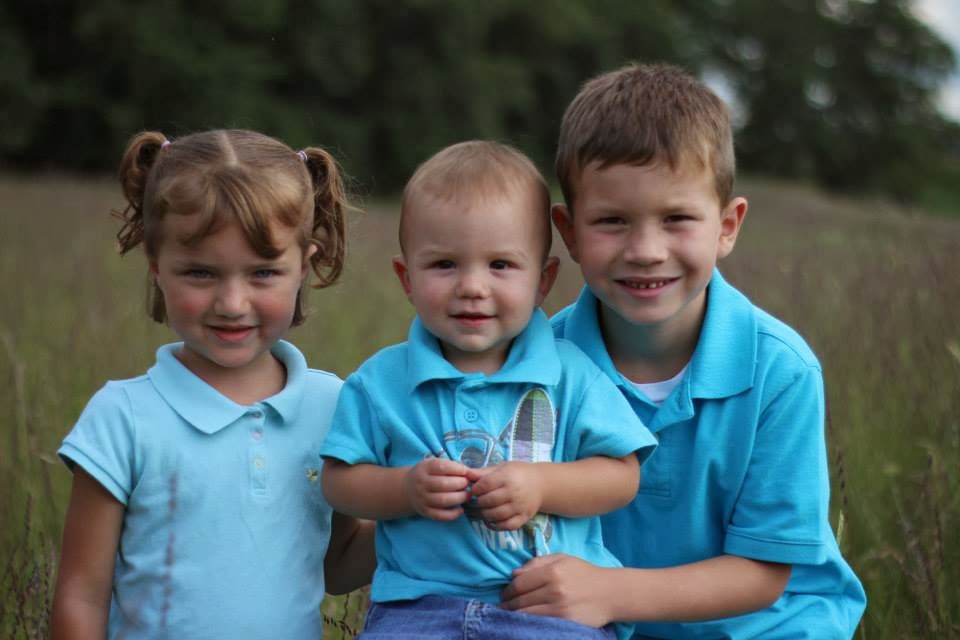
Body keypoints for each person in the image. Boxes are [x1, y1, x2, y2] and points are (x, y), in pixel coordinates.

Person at [499, 62, 867, 638]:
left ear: (727, 225)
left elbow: (765, 573)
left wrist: (609, 591)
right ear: (568, 232)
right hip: (609, 623)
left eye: (677, 219)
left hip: (766, 626)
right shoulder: (539, 363)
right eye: (612, 221)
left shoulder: (779, 370)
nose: (646, 250)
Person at [320, 140, 658, 639]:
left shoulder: (570, 374)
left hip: (546, 607)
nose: (472, 287)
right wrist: (405, 489)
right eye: (444, 265)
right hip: (418, 607)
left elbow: (622, 476)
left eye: (500, 265)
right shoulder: (381, 381)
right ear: (407, 278)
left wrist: (542, 485)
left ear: (542, 280)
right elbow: (339, 482)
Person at [50, 129, 375, 639]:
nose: (232, 303)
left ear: (303, 266)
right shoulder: (123, 417)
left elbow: (337, 565)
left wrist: (425, 512)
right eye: (201, 273)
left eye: (263, 273)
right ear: (157, 267)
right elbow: (81, 595)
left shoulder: (333, 406)